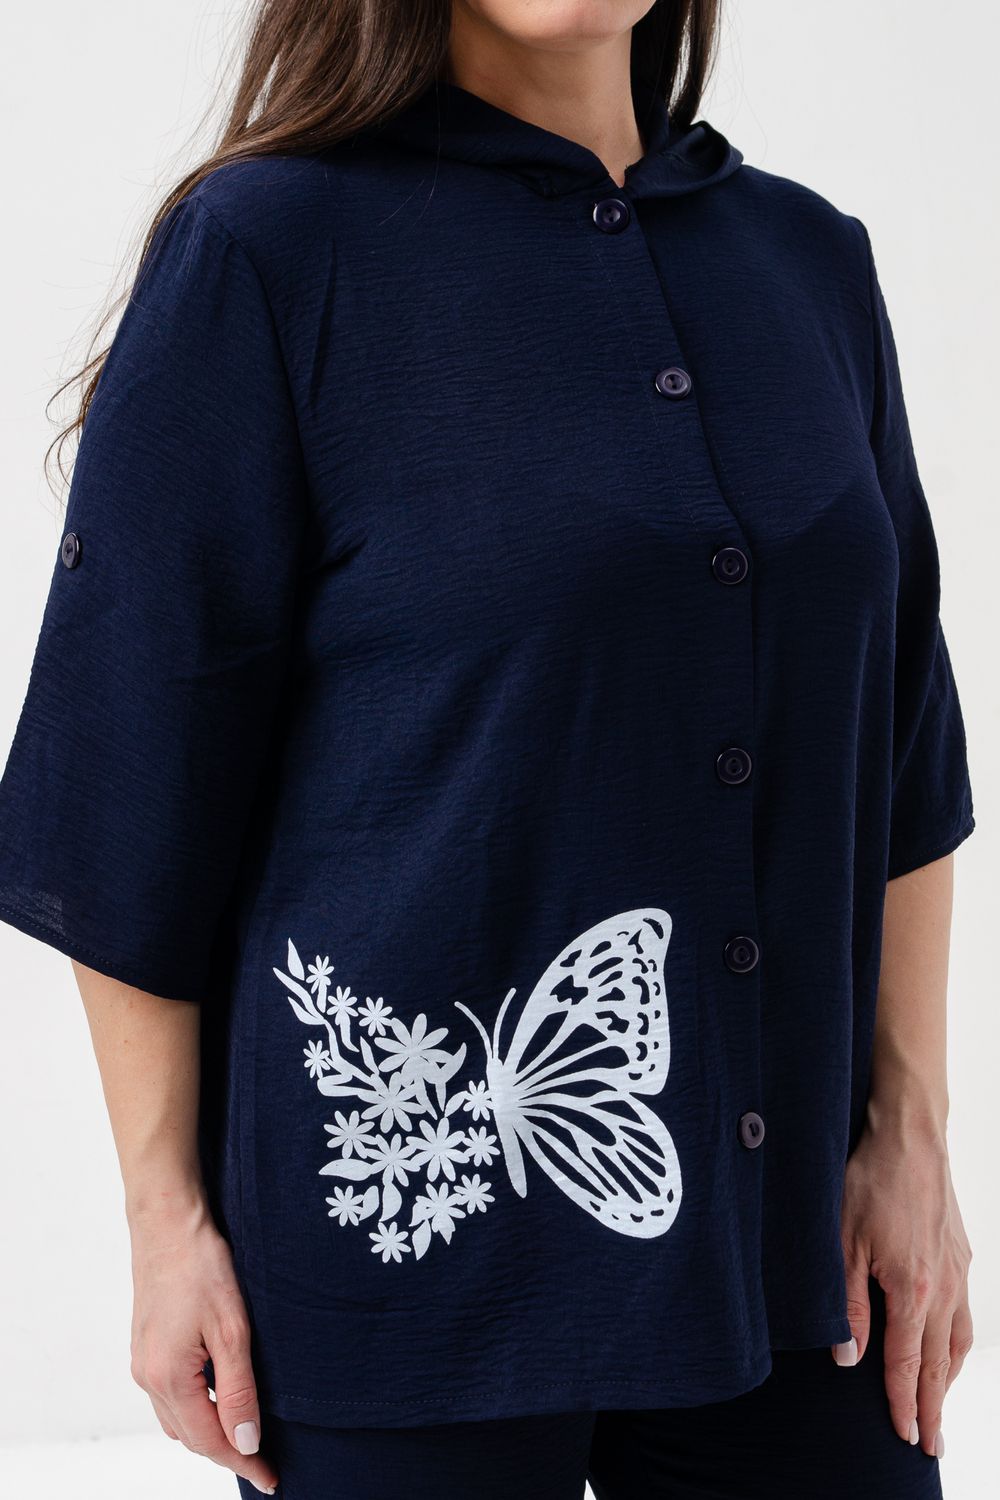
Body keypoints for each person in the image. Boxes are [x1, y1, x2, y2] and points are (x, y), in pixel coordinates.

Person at [0, 1, 978, 1496]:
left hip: (797, 1261)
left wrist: (913, 1133)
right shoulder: (272, 254)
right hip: (412, 1286)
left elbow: (902, 735)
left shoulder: (809, 263)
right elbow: (128, 768)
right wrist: (163, 1219)